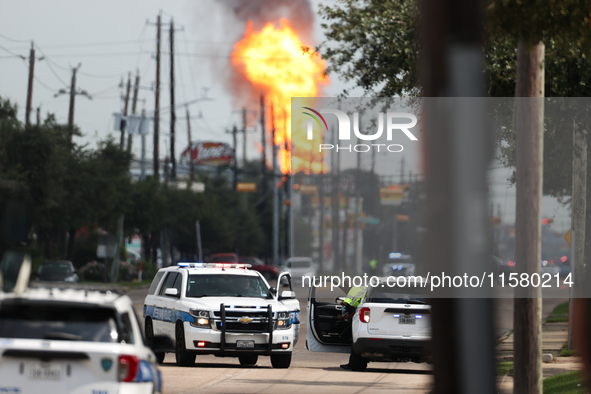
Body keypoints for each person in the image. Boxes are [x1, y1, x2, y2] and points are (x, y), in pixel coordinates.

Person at [338, 285, 367, 370]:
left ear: (345, 288)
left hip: (358, 321)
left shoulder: (348, 300)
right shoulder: (358, 288)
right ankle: (352, 363)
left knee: (353, 343)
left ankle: (351, 364)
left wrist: (342, 318)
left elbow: (352, 315)